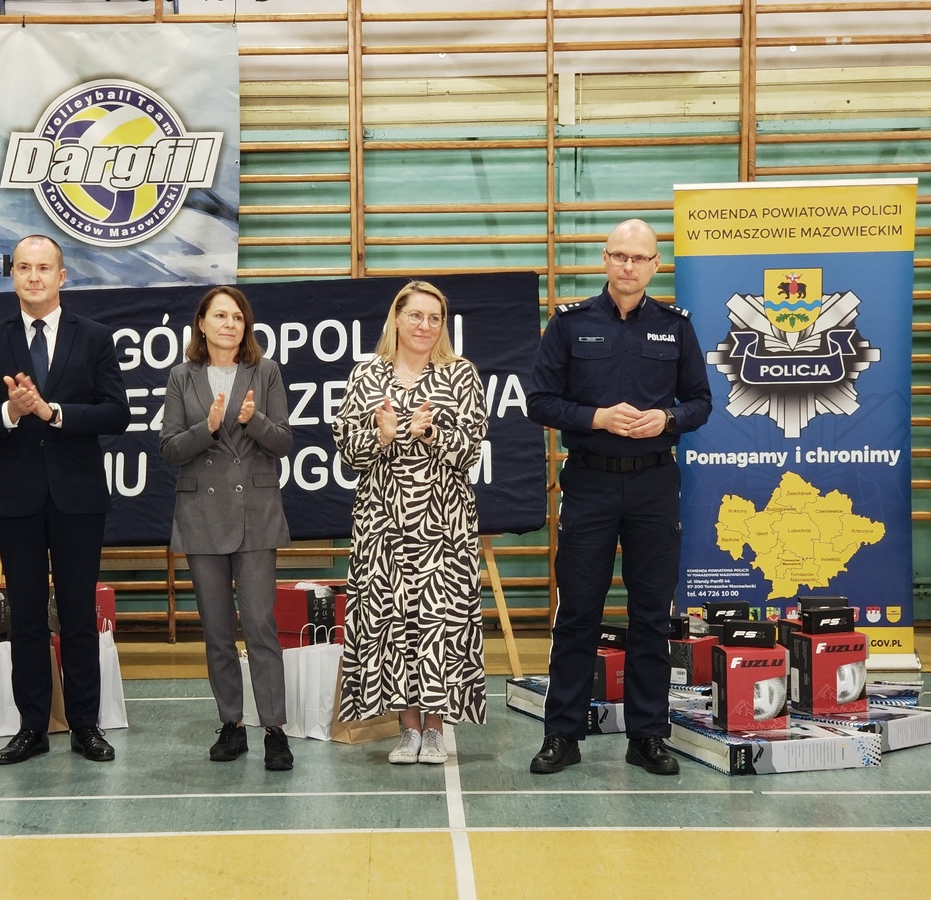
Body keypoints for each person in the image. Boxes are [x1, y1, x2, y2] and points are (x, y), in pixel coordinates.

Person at [526, 219, 712, 776]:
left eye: (640, 257)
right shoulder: (569, 324)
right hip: (590, 482)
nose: (629, 266)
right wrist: (597, 417)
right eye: (620, 256)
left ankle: (647, 736)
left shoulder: (676, 327)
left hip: (655, 484)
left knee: (651, 615)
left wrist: (668, 418)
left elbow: (701, 402)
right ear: (605, 259)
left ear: (656, 265)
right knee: (577, 612)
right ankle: (562, 734)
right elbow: (539, 401)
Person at [0, 235, 130, 765]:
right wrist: (11, 412)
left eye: (43, 268)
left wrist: (53, 413)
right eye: (24, 268)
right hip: (18, 500)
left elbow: (117, 413)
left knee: (78, 616)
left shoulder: (94, 336)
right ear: (12, 275)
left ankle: (85, 726)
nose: (33, 277)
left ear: (62, 276)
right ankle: (32, 726)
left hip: (79, 498)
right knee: (28, 620)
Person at [333, 280, 489, 766]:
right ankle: (407, 729)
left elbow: (470, 450)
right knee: (392, 621)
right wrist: (384, 435)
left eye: (434, 318)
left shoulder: (460, 374)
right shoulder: (366, 375)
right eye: (416, 316)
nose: (425, 325)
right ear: (396, 320)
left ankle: (436, 729)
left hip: (444, 523)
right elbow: (349, 453)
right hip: (382, 522)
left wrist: (433, 431)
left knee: (441, 622)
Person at [160, 286, 295, 771]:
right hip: (201, 516)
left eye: (237, 317)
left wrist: (252, 420)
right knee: (217, 630)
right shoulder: (182, 376)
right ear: (202, 323)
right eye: (220, 316)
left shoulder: (266, 371)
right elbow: (170, 448)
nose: (229, 324)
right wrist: (209, 428)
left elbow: (283, 442)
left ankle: (274, 730)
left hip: (255, 515)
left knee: (260, 625)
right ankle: (231, 724)